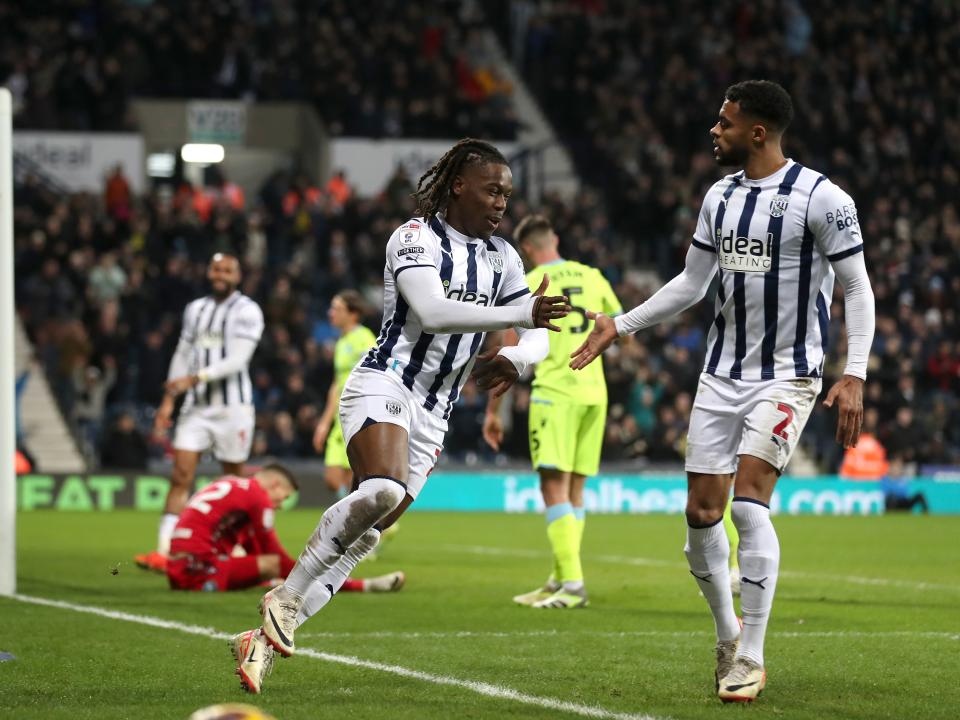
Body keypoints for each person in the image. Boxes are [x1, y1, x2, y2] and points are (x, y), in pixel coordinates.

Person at [570, 81, 875, 702]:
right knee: (701, 513)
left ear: (756, 132)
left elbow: (859, 289)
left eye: (725, 122)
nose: (715, 130)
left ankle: (753, 658)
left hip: (790, 374)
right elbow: (691, 282)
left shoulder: (822, 198)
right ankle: (728, 636)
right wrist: (619, 326)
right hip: (720, 374)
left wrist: (855, 372)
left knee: (746, 504)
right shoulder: (720, 195)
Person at [230, 138, 570, 694]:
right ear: (459, 184)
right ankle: (286, 597)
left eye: (507, 194)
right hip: (385, 382)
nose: (502, 202)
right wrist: (520, 311)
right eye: (492, 190)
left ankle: (262, 641)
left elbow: (539, 339)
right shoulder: (414, 238)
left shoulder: (504, 257)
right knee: (383, 491)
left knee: (370, 533)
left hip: (436, 410)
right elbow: (433, 313)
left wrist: (515, 355)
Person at [482, 213, 621, 609]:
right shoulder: (593, 276)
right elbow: (616, 326)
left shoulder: (528, 283)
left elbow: (512, 350)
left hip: (555, 393)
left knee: (552, 487)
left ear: (527, 249)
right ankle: (562, 577)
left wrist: (494, 412)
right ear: (554, 238)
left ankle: (573, 585)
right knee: (575, 489)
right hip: (595, 392)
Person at [135, 253, 264, 573]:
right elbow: (183, 353)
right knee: (180, 476)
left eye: (227, 270)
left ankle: (231, 548)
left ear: (238, 276)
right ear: (208, 272)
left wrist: (195, 378)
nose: (220, 274)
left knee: (233, 481)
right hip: (196, 407)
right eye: (216, 268)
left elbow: (237, 360)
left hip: (232, 408)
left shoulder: (247, 311)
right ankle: (166, 550)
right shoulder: (196, 309)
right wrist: (169, 401)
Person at [312, 291, 377, 496]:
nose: (331, 313)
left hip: (358, 413)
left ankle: (368, 522)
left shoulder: (364, 338)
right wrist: (324, 422)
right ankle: (368, 518)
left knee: (353, 478)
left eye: (337, 309)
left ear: (353, 314)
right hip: (340, 418)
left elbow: (374, 374)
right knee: (333, 480)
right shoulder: (341, 343)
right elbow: (336, 385)